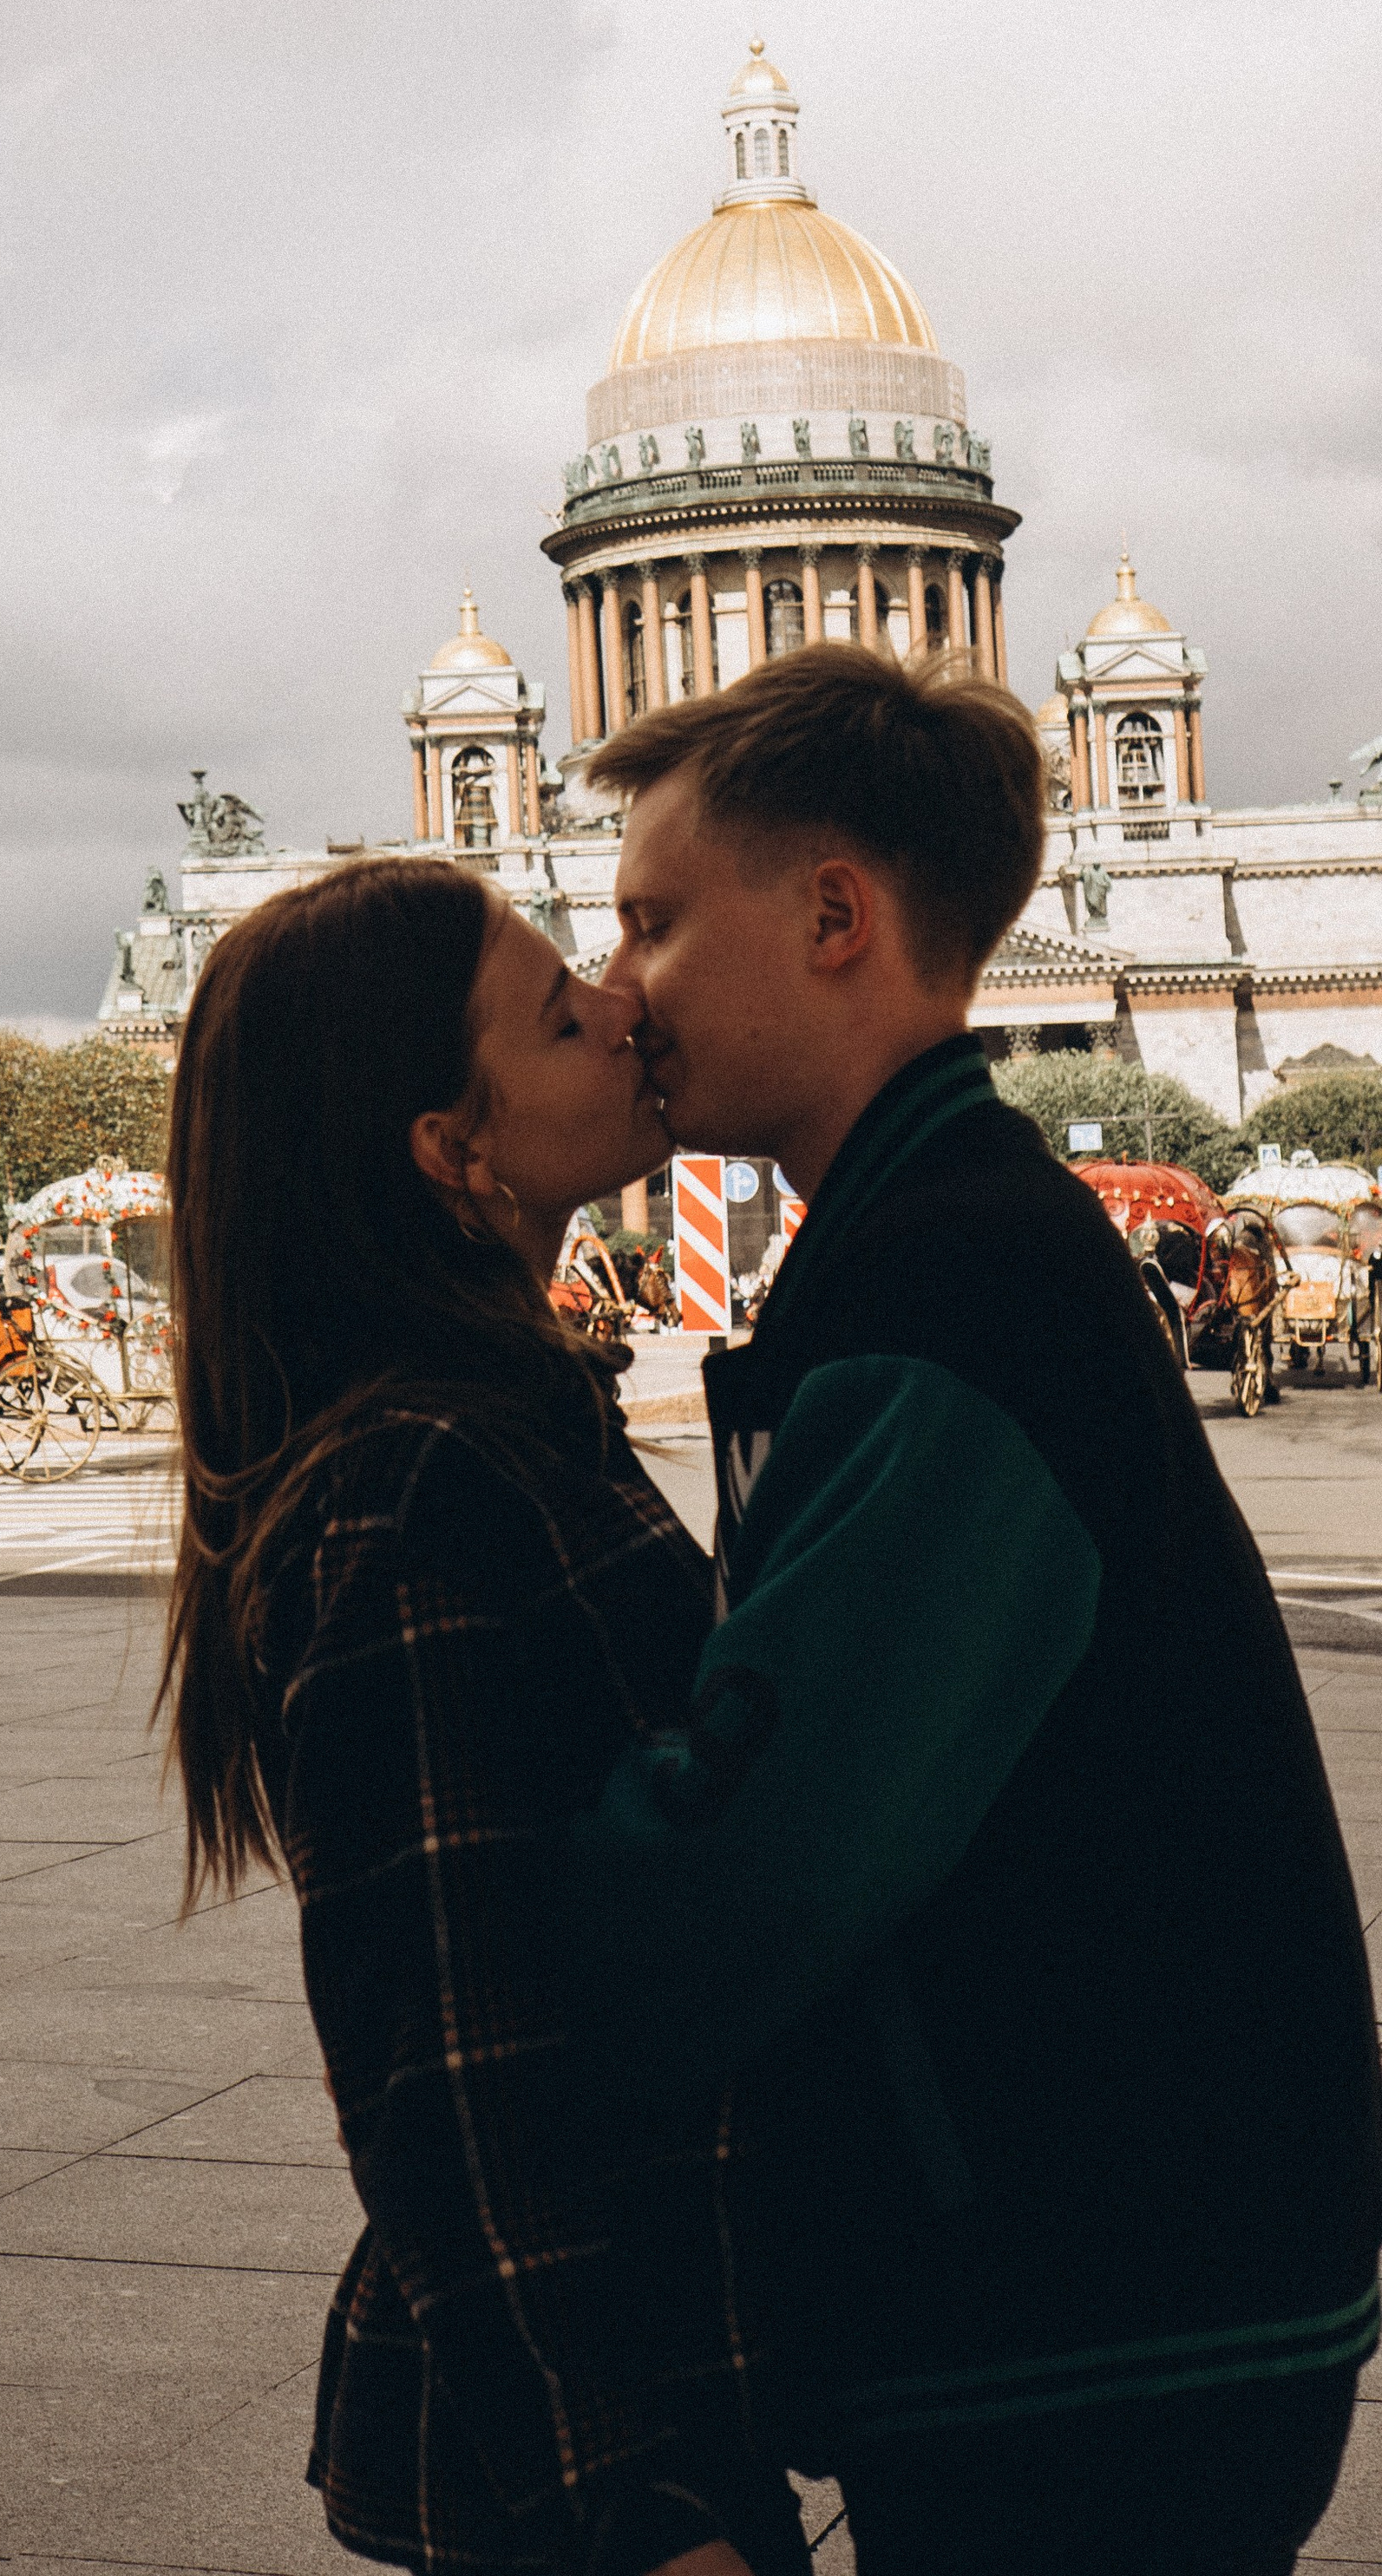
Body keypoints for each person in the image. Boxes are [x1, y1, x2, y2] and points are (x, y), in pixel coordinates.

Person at [568, 643, 1379, 2576]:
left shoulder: (946, 1286)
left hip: (1096, 2302)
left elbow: (768, 1856)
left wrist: (497, 1912)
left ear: (835, 913)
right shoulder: (939, 1237)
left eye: (655, 924)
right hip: (1124, 2263)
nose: (616, 993)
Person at [157, 855, 809, 2576]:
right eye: (556, 1010)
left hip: (634, 2381)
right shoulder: (420, 1476)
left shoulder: (491, 1417)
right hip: (596, 2442)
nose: (625, 1004)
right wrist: (634, 2506)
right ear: (456, 1151)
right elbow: (441, 2060)